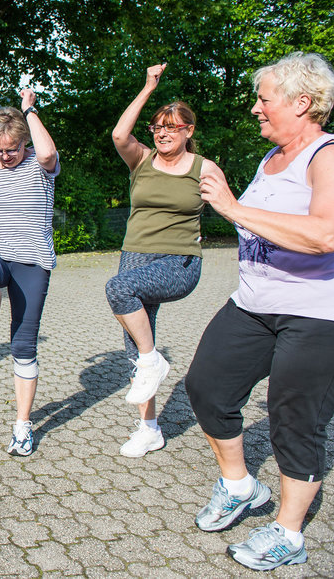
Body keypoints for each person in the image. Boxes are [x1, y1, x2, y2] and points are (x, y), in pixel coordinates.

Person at [186, 51, 334, 571]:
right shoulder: (269, 159)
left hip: (315, 314)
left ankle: (289, 535)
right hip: (253, 304)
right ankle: (240, 485)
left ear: (302, 102)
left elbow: (325, 235)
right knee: (207, 389)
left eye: (263, 98)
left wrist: (231, 207)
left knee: (294, 420)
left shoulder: (327, 156)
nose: (255, 108)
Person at [104, 63, 220, 459]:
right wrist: (148, 88)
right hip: (135, 255)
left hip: (180, 260)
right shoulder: (142, 160)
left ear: (189, 131)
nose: (164, 133)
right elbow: (120, 133)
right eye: (158, 127)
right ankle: (149, 428)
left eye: (173, 127)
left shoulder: (205, 168)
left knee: (119, 290)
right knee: (133, 346)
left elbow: (235, 208)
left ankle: (152, 362)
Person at [0, 90, 58, 456]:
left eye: (13, 149)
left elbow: (47, 152)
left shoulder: (41, 164)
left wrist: (29, 109)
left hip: (32, 258)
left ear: (24, 144)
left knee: (23, 346)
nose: (6, 156)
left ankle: (22, 426)